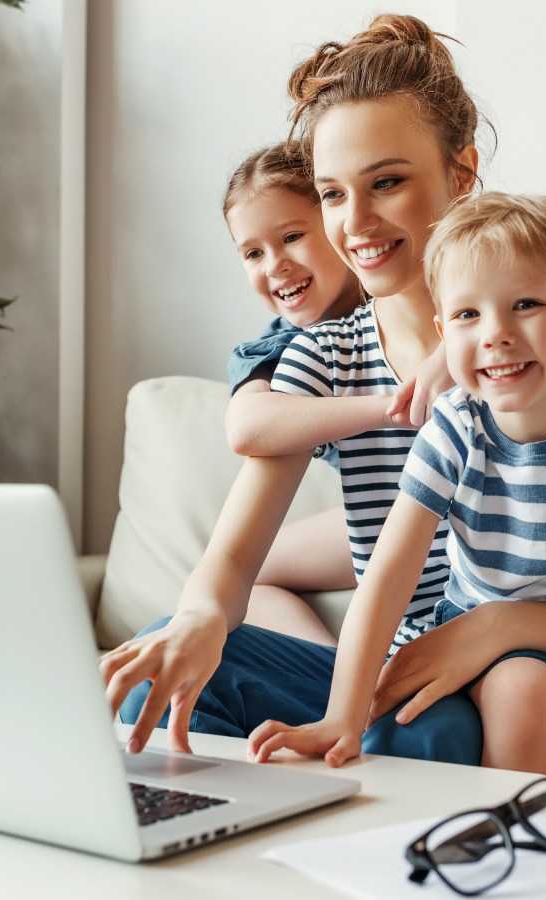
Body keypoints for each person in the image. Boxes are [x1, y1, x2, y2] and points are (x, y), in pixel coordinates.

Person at [102, 13, 546, 781]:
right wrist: (198, 617)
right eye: (332, 194)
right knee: (161, 675)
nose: (355, 225)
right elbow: (233, 559)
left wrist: (495, 627)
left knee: (446, 736)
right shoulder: (325, 355)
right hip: (409, 671)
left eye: (387, 182)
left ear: (461, 174)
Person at [248, 192, 546, 813]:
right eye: (469, 315)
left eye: (526, 305)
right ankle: (509, 833)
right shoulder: (453, 426)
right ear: (445, 336)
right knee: (526, 692)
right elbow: (388, 574)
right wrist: (342, 714)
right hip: (495, 643)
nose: (498, 335)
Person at [220, 142, 363, 647]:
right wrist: (390, 410)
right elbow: (247, 427)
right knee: (253, 568)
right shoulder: (279, 347)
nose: (275, 264)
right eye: (253, 253)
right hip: (381, 512)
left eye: (293, 236)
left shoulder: (406, 303)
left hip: (470, 504)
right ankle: (335, 678)